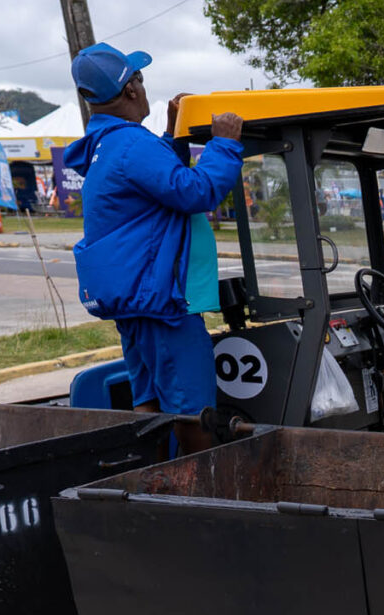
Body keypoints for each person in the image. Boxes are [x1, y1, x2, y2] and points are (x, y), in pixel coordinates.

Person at [60, 43, 245, 416]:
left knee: (150, 404)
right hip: (162, 305)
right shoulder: (132, 143)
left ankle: (152, 458)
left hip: (137, 302)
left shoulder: (109, 145)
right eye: (139, 79)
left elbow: (156, 182)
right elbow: (195, 192)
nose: (144, 89)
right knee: (194, 411)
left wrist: (175, 136)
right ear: (131, 89)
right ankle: (193, 459)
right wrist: (224, 144)